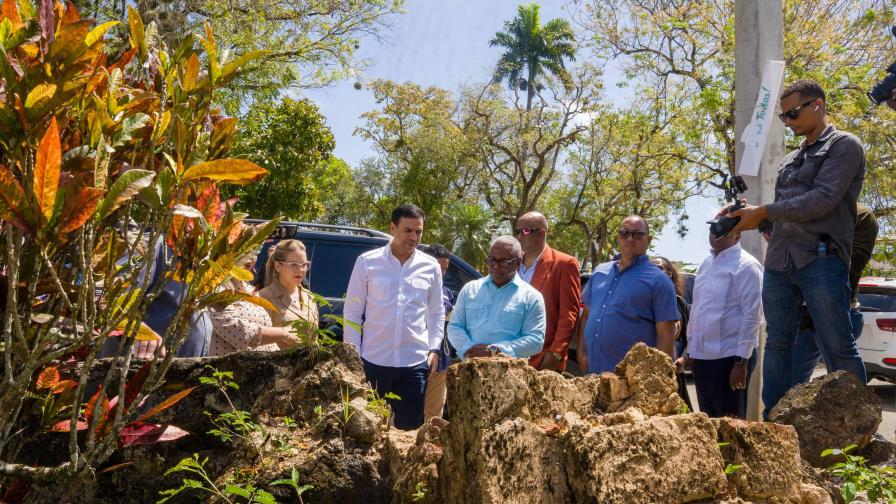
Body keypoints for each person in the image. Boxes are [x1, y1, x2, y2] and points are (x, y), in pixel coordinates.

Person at [729, 79, 868, 417]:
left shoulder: (844, 145)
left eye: (792, 113)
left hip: (820, 259)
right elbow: (786, 214)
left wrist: (765, 212)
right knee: (776, 342)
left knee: (837, 344)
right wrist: (753, 217)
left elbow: (822, 200)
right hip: (779, 261)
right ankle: (774, 421)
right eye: (783, 117)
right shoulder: (792, 157)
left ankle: (857, 423)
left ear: (817, 105)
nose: (788, 121)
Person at [343, 204, 445, 430]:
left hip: (414, 363)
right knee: (366, 430)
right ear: (392, 227)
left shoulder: (430, 267)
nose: (414, 237)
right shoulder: (367, 262)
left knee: (408, 432)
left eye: (418, 232)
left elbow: (436, 312)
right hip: (372, 361)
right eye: (407, 230)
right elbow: (352, 311)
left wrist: (434, 348)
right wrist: (353, 355)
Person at [789, 203, 879, 386]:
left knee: (846, 389)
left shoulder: (861, 214)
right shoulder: (799, 212)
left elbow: (850, 266)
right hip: (803, 315)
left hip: (838, 312)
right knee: (788, 388)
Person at [576, 216, 679, 374]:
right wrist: (581, 352)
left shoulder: (660, 282)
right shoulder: (599, 272)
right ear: (618, 237)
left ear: (649, 239)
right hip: (593, 372)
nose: (630, 238)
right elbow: (586, 316)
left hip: (631, 379)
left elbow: (666, 337)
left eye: (637, 234)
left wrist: (653, 379)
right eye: (624, 233)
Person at [686, 227, 763, 419]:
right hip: (702, 359)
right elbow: (698, 310)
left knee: (731, 428)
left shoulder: (747, 265)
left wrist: (741, 362)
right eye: (713, 229)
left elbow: (752, 315)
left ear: (738, 234)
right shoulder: (706, 264)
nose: (716, 234)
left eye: (725, 230)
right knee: (708, 424)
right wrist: (692, 351)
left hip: (730, 359)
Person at [447, 236, 546, 360]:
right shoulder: (470, 289)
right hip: (471, 368)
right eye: (491, 260)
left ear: (517, 262)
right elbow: (455, 326)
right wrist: (469, 349)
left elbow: (536, 341)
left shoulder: (531, 297)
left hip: (510, 373)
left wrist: (495, 350)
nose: (495, 266)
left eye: (503, 262)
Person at [515, 211, 581, 372]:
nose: (519, 236)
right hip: (509, 356)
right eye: (517, 231)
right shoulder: (512, 264)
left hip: (542, 359)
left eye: (525, 231)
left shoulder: (565, 264)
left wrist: (555, 355)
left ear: (542, 232)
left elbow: (569, 315)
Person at [209, 247, 300, 356]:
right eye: (245, 252)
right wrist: (284, 334)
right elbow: (237, 332)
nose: (251, 258)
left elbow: (266, 344)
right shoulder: (214, 288)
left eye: (254, 251)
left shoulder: (249, 288)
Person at [651, 256, 694, 412]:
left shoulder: (680, 303)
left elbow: (690, 336)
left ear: (669, 273)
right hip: (651, 372)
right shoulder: (644, 301)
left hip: (675, 371)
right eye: (651, 268)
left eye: (659, 268)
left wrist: (683, 358)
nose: (655, 271)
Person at [258, 239, 319, 345]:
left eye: (304, 264)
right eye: (294, 264)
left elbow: (315, 341)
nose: (300, 270)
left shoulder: (309, 297)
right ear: (278, 266)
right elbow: (257, 341)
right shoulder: (264, 297)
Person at [422, 244, 456, 420]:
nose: (441, 273)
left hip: (440, 359)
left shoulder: (447, 293)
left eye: (445, 269)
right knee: (399, 413)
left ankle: (427, 446)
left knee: (434, 416)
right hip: (411, 359)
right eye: (437, 267)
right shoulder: (410, 288)